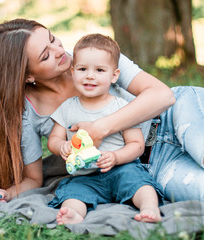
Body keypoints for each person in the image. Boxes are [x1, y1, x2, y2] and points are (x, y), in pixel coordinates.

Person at [0, 18, 204, 210]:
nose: (59, 50)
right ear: (26, 76)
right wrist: (7, 194)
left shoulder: (93, 55)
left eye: (51, 38)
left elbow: (163, 96)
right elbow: (32, 179)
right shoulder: (27, 114)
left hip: (175, 114)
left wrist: (100, 128)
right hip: (148, 164)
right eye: (45, 55)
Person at [47, 34, 163, 224]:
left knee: (139, 183)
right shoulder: (67, 107)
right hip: (85, 175)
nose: (90, 75)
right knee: (72, 192)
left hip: (121, 169)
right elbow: (54, 139)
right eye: (82, 69)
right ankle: (74, 214)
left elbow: (137, 145)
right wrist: (62, 146)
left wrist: (116, 157)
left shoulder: (121, 106)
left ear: (114, 75)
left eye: (100, 70)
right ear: (72, 71)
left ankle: (149, 208)